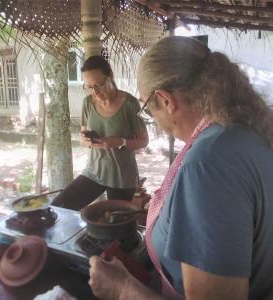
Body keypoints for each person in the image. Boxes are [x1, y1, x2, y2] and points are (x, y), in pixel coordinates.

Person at [88, 36, 273, 300]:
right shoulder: (249, 131)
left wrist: (122, 289)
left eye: (148, 109)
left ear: (165, 100)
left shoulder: (207, 164)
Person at [53, 55, 148, 210]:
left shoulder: (130, 104)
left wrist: (118, 141)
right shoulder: (88, 103)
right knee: (59, 207)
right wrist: (85, 140)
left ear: (110, 75)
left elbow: (143, 142)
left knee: (115, 228)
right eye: (89, 87)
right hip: (94, 172)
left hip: (122, 178)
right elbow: (83, 135)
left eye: (99, 84)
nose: (95, 92)